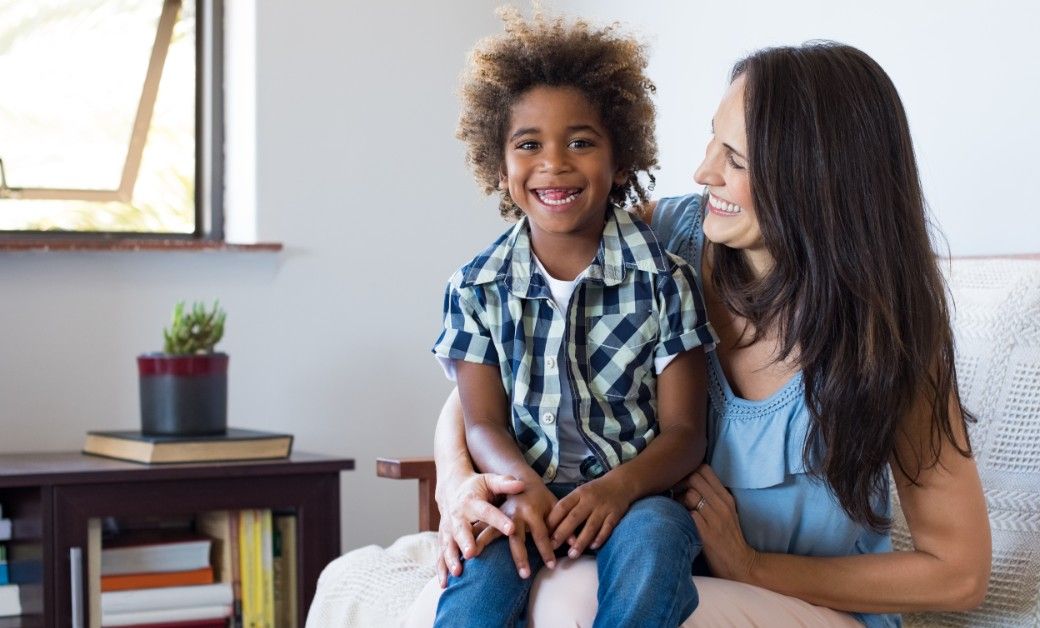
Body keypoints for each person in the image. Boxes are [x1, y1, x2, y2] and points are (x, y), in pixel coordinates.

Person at [417, 40, 993, 627]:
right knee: (483, 590)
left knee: (570, 599)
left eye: (736, 160)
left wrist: (754, 567)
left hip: (810, 608)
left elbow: (959, 573)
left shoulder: (886, 338)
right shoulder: (665, 240)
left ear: (817, 179)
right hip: (673, 578)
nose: (702, 172)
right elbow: (499, 377)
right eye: (712, 139)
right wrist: (458, 484)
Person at [427, 8, 716, 627]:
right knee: (474, 582)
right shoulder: (475, 287)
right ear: (499, 164)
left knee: (659, 540)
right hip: (519, 493)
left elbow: (686, 432)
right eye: (528, 145)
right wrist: (517, 481)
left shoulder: (665, 282)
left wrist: (619, 488)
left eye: (581, 142)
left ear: (621, 158)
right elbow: (481, 424)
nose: (554, 164)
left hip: (636, 499)